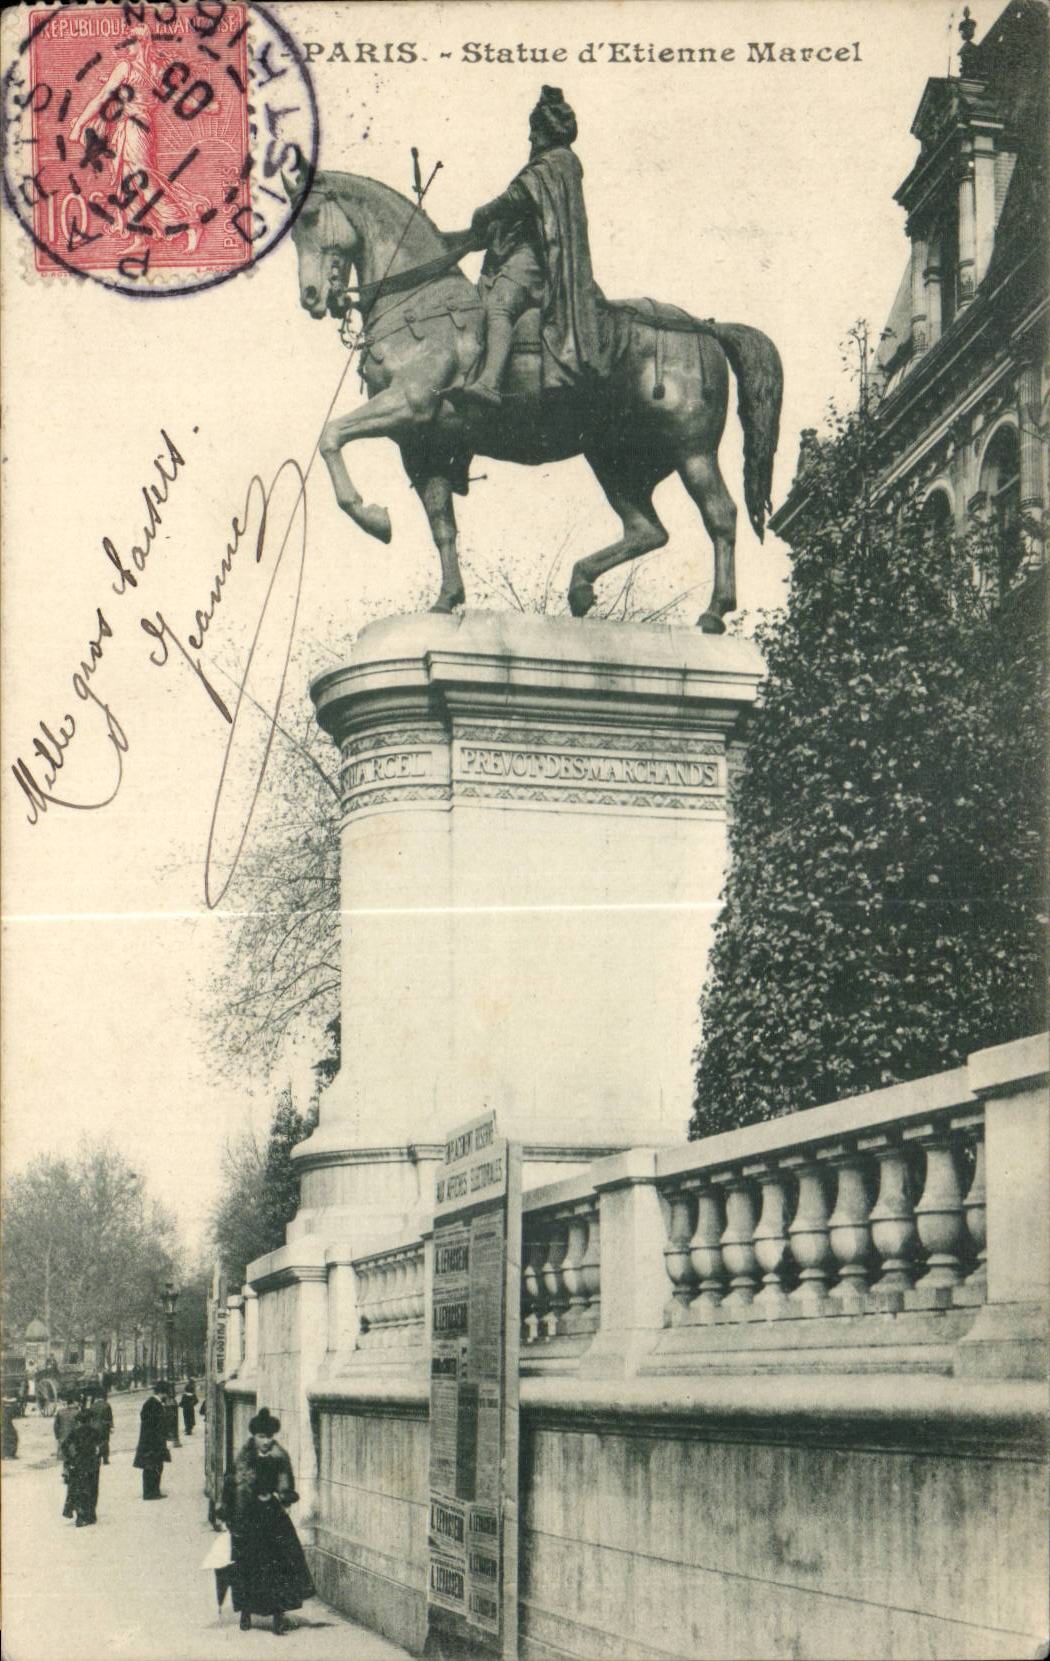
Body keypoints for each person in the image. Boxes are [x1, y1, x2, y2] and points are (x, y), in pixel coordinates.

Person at [458, 86, 610, 408]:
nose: (530, 139)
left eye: (534, 131)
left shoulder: (556, 163)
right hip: (524, 256)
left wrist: (483, 212)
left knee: (498, 305)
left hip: (535, 263)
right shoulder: (552, 165)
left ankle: (489, 384)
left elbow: (516, 198)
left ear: (546, 131)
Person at [221, 1408, 314, 1636]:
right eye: (261, 1436)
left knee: (277, 1565)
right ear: (254, 1436)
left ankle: (277, 1615)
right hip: (248, 1518)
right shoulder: (243, 1458)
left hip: (272, 1517)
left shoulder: (279, 1457)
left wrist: (281, 1496)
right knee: (247, 1565)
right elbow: (231, 1488)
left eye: (269, 1436)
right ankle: (245, 1612)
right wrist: (228, 1514)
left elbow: (286, 1487)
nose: (266, 1441)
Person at [66, 1396, 102, 1527]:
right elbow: (100, 1448)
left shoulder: (74, 1432)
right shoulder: (95, 1432)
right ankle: (91, 1515)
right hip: (92, 1465)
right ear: (90, 1420)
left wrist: (70, 1458)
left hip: (78, 1464)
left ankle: (81, 1517)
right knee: (92, 1490)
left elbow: (65, 1446)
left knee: (79, 1490)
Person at [133, 1380, 171, 1500]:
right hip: (152, 1443)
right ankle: (150, 1493)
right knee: (152, 1467)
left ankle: (153, 1491)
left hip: (152, 1442)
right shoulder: (153, 1404)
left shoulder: (152, 1403)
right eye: (166, 1394)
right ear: (161, 1393)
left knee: (155, 1466)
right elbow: (154, 1425)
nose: (167, 1396)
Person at [53, 1390, 79, 1518]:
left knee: (66, 1458)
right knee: (73, 1458)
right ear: (73, 1402)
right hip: (74, 1440)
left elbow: (55, 1427)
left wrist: (58, 1437)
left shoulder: (60, 1413)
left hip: (63, 1439)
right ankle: (69, 1473)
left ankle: (66, 1472)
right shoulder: (77, 1413)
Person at [89, 1387, 114, 1464]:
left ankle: (97, 1459)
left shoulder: (92, 1406)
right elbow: (109, 1417)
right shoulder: (107, 1405)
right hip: (104, 1426)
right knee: (105, 1442)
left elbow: (90, 1417)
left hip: (94, 1426)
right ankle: (105, 1459)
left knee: (96, 1443)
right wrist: (111, 1426)